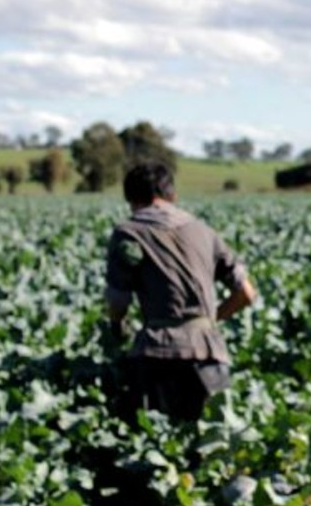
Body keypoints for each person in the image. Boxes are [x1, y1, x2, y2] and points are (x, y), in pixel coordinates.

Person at [105, 161, 257, 427]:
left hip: (157, 354)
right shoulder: (205, 231)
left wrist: (117, 327)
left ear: (131, 199)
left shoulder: (128, 232)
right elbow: (246, 293)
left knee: (153, 446)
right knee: (213, 447)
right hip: (209, 354)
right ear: (173, 196)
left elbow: (119, 302)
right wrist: (207, 323)